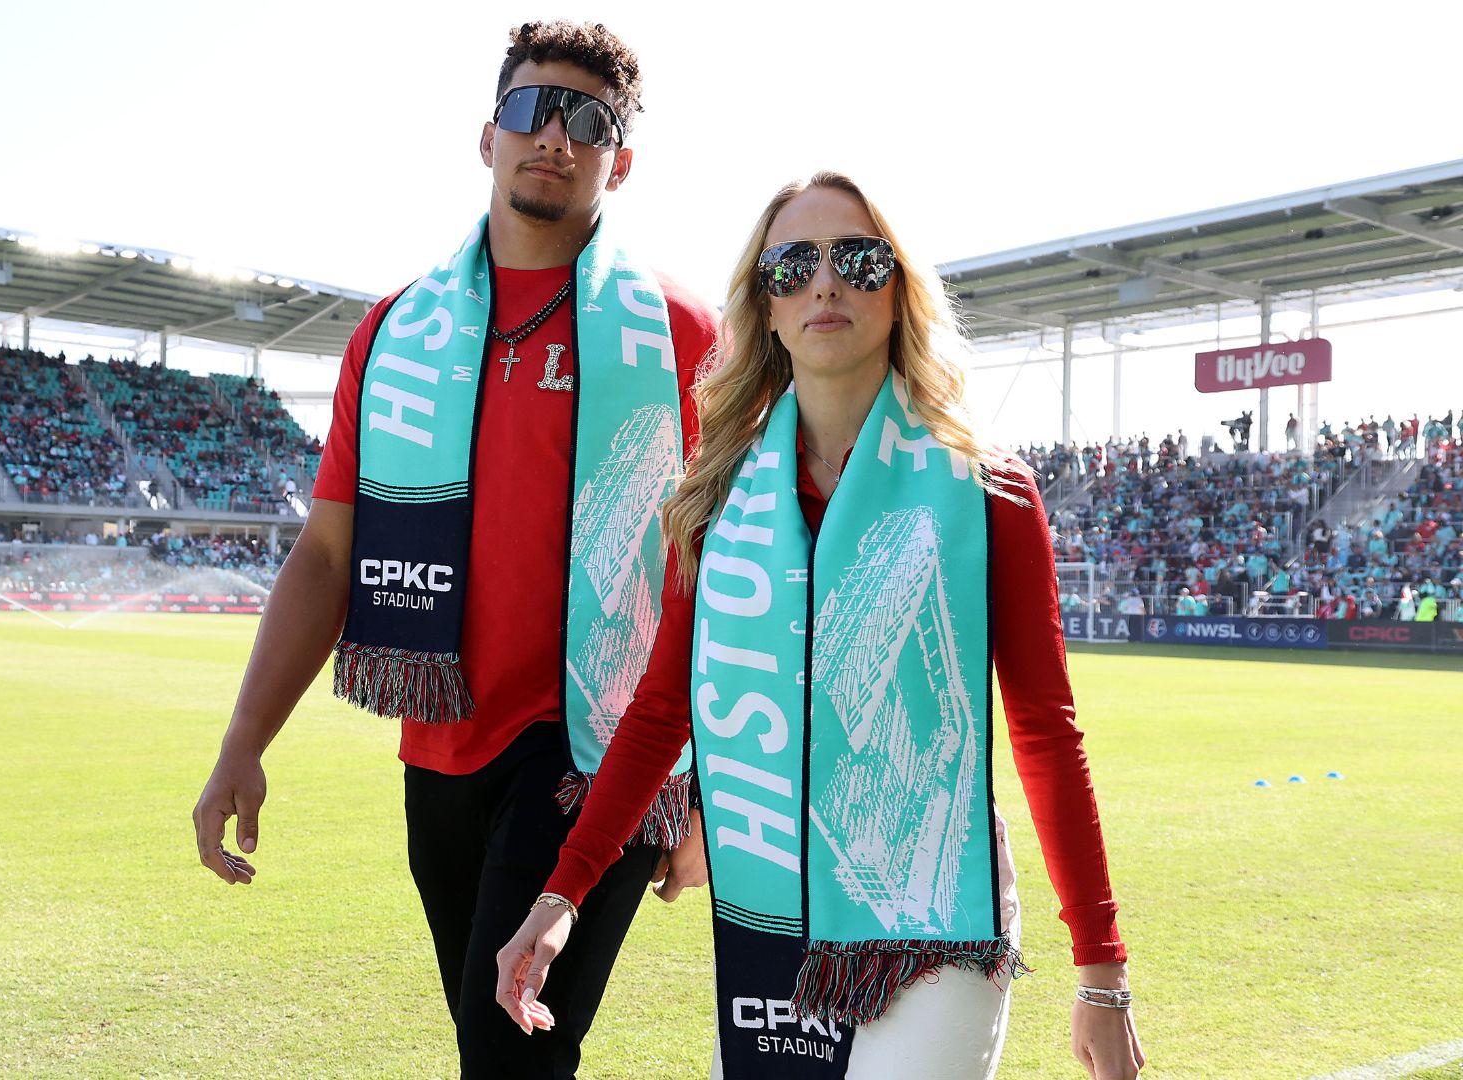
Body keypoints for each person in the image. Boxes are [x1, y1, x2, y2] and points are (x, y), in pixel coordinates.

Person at [495, 172, 1143, 1079]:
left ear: (900, 290)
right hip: (772, 907)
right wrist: (561, 894)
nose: (824, 284)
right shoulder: (717, 498)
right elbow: (655, 716)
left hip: (931, 918)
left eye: (858, 259)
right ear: (764, 305)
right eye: (793, 265)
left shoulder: (986, 491)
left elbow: (1043, 733)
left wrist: (1101, 971)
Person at [191, 20, 719, 1079]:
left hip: (596, 757)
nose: (554, 137)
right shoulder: (395, 334)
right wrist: (242, 740)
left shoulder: (682, 335)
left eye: (588, 122)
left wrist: (703, 788)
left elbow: (724, 579)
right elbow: (328, 558)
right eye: (531, 109)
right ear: (487, 136)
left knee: (505, 1057)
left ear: (623, 158)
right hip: (440, 753)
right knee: (504, 1054)